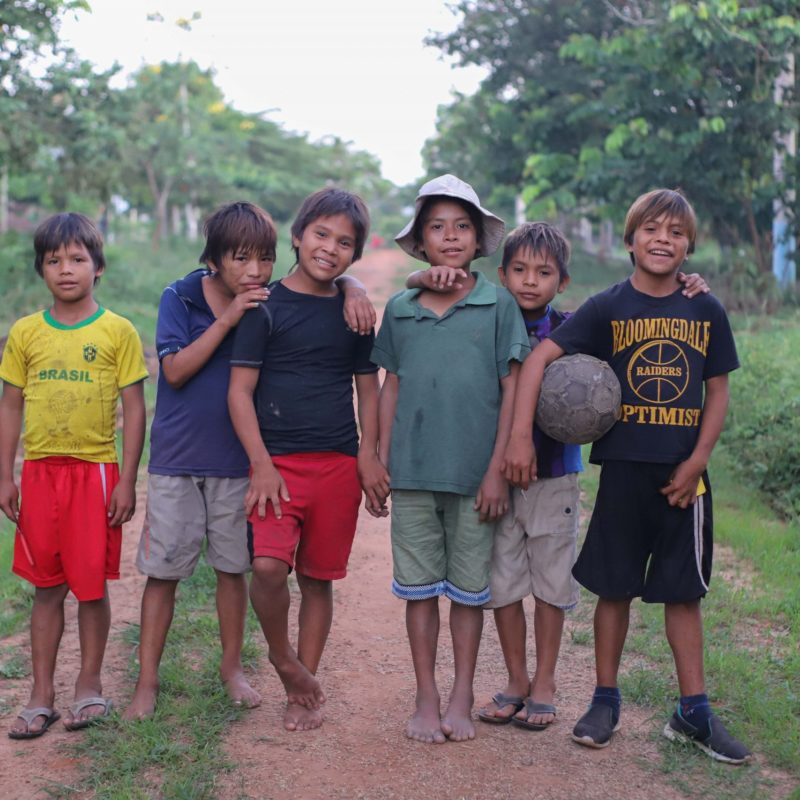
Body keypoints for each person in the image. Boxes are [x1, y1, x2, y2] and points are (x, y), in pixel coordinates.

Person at [503, 189, 751, 764]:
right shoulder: (608, 307)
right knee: (613, 589)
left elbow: (718, 390)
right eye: (652, 229)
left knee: (682, 594)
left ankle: (693, 712)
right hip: (621, 472)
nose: (663, 239)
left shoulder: (704, 309)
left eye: (676, 232)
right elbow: (541, 357)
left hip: (685, 479)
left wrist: (697, 462)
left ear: (690, 245)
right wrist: (520, 435)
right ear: (630, 238)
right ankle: (604, 700)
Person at [125, 201, 376, 720]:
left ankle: (254, 673)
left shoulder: (296, 304)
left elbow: (358, 372)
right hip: (205, 459)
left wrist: (356, 287)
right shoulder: (207, 300)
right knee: (190, 570)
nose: (255, 270)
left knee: (250, 571)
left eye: (262, 258)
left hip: (267, 461)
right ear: (215, 258)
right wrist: (230, 316)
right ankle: (152, 682)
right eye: (241, 258)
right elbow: (184, 375)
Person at [372, 174, 530, 744]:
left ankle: (462, 692)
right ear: (422, 241)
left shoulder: (498, 304)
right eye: (437, 227)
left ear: (477, 238)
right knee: (418, 591)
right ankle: (426, 694)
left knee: (467, 592)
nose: (451, 235)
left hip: (474, 478)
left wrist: (496, 471)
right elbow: (390, 385)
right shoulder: (401, 309)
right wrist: (378, 459)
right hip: (411, 474)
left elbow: (512, 389)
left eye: (462, 225)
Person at [228, 188, 388, 733]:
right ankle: (282, 656)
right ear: (297, 237)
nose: (330, 248)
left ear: (355, 255)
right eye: (321, 234)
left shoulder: (355, 314)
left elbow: (369, 391)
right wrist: (262, 464)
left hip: (337, 465)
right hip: (278, 467)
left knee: (319, 579)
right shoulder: (264, 307)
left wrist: (369, 456)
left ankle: (303, 687)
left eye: (345, 243)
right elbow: (239, 393)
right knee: (268, 567)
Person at [0, 213, 147, 738]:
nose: (66, 269)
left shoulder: (117, 331)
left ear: (98, 267)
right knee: (45, 587)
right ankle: (41, 694)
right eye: (54, 260)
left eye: (78, 259)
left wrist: (127, 479)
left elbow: (135, 409)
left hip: (95, 474)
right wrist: (6, 476)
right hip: (40, 474)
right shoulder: (25, 333)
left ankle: (89, 685)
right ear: (41, 268)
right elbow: (11, 406)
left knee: (90, 588)